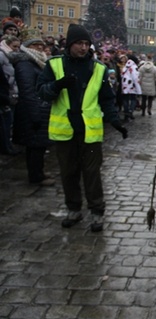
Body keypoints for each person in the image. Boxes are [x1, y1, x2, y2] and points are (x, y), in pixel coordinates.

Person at [37, 24, 128, 232]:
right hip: (64, 131)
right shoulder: (54, 65)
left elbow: (106, 99)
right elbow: (41, 92)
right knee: (68, 173)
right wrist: (57, 85)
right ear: (70, 44)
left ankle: (97, 212)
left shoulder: (98, 68)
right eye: (79, 43)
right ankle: (74, 209)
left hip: (91, 132)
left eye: (87, 44)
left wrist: (115, 121)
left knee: (92, 173)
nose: (84, 47)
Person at [10, 28, 55, 186]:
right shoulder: (25, 64)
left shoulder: (35, 62)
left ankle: (39, 172)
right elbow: (28, 91)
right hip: (32, 110)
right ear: (28, 47)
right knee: (35, 146)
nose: (40, 48)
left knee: (38, 146)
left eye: (41, 45)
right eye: (36, 45)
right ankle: (36, 176)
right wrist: (35, 113)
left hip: (38, 108)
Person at [0, 35, 20, 155]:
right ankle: (6, 147)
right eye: (14, 46)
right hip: (5, 94)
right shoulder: (2, 56)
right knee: (6, 122)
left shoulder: (12, 57)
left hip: (11, 93)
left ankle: (8, 146)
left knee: (8, 122)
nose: (16, 49)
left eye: (18, 47)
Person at [120, 53, 141, 121]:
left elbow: (122, 74)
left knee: (125, 99)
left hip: (125, 85)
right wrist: (138, 89)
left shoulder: (126, 66)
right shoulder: (134, 66)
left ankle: (126, 113)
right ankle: (130, 111)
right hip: (132, 85)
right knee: (133, 99)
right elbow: (135, 77)